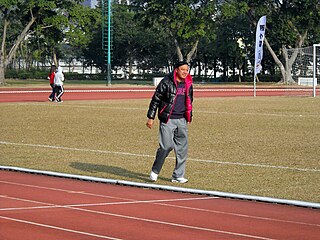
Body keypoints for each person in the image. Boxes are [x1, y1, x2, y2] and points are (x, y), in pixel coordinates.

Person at [146, 60, 193, 183]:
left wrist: (188, 116)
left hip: (182, 119)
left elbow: (189, 100)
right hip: (167, 119)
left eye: (186, 70)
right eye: (182, 69)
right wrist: (151, 117)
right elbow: (155, 99)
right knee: (166, 146)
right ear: (176, 70)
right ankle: (155, 170)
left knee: (182, 148)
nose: (185, 72)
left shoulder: (188, 83)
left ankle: (178, 175)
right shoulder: (166, 82)